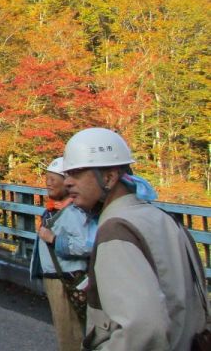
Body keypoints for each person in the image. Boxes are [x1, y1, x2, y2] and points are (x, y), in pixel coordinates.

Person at [62, 128, 208, 350]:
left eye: (77, 173)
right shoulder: (164, 219)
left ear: (109, 177)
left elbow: (143, 329)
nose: (67, 182)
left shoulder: (116, 230)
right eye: (67, 174)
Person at [29, 157, 95, 351]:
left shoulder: (73, 212)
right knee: (67, 332)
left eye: (53, 179)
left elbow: (85, 245)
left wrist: (54, 240)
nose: (48, 183)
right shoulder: (54, 210)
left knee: (71, 336)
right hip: (58, 277)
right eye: (47, 178)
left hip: (66, 279)